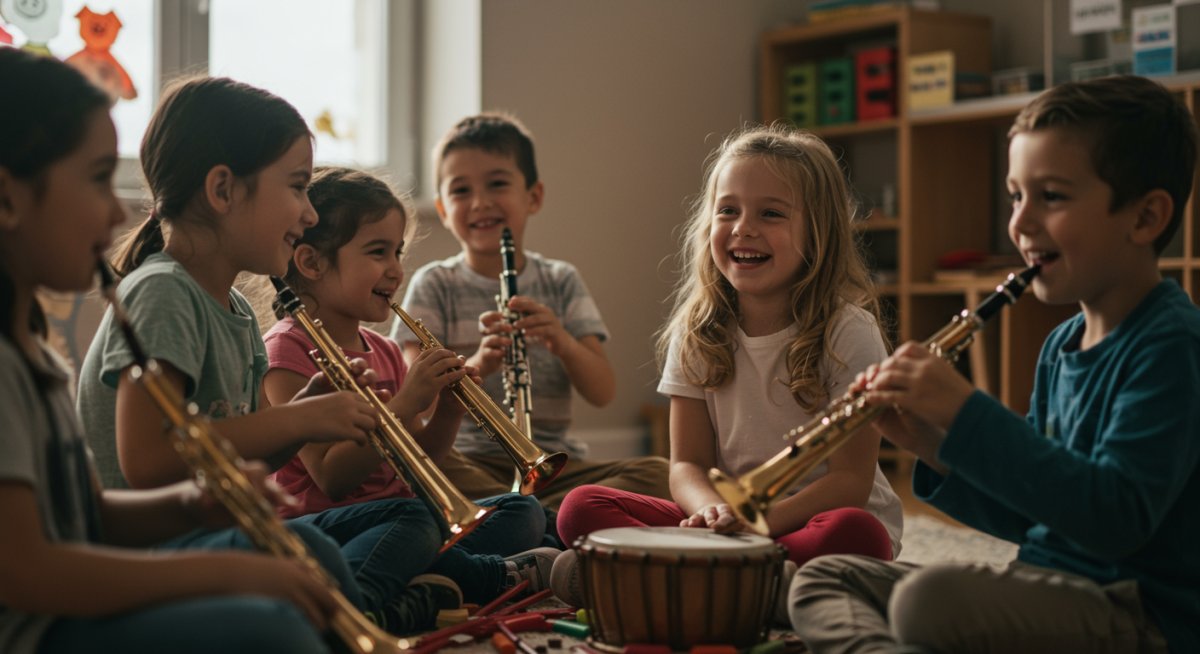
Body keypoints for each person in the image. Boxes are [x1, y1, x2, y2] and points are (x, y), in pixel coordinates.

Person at [789, 75, 1200, 654]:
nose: (1020, 223)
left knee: (925, 601)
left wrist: (968, 413)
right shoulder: (1062, 345)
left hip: (1137, 612)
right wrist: (932, 445)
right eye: (1015, 196)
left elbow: (1114, 520)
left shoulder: (1172, 345)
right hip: (1046, 588)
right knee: (824, 579)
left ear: (1145, 217)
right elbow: (1035, 511)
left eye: (1050, 197)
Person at [0, 46, 351, 654]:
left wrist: (192, 505)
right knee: (273, 626)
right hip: (38, 632)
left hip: (73, 613)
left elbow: (86, 515)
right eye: (97, 178)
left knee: (301, 566)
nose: (118, 209)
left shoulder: (36, 361)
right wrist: (223, 571)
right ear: (8, 200)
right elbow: (27, 571)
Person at [74, 76, 456, 634]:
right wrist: (297, 420)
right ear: (223, 191)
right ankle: (370, 618)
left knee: (402, 520)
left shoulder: (233, 309)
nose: (309, 214)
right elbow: (149, 462)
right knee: (321, 553)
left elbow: (253, 453)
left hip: (216, 531)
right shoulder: (162, 293)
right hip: (159, 548)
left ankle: (358, 614)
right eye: (298, 187)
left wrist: (304, 412)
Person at [553, 125, 903, 616]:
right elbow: (686, 465)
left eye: (771, 214)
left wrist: (760, 522)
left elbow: (851, 480)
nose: (743, 228)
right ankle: (756, 585)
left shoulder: (848, 331)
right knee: (579, 507)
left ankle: (666, 577)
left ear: (818, 232)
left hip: (811, 520)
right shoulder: (696, 330)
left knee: (858, 533)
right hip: (727, 526)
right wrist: (711, 514)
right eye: (728, 210)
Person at [263, 166, 560, 605]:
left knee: (523, 510)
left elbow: (419, 462)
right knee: (416, 521)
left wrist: (448, 411)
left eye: (398, 253)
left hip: (405, 518)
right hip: (330, 528)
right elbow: (332, 479)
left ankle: (434, 577)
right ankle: (480, 578)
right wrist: (405, 404)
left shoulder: (384, 349)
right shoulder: (287, 351)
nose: (396, 271)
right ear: (311, 262)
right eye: (378, 252)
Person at [393, 112, 670, 513]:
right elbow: (419, 404)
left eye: (497, 184)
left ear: (534, 196)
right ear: (443, 209)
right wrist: (479, 364)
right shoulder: (434, 284)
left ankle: (523, 516)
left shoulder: (561, 280)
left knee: (658, 473)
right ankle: (552, 517)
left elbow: (602, 392)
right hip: (469, 459)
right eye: (461, 190)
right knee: (426, 470)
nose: (480, 202)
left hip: (555, 463)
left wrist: (563, 342)